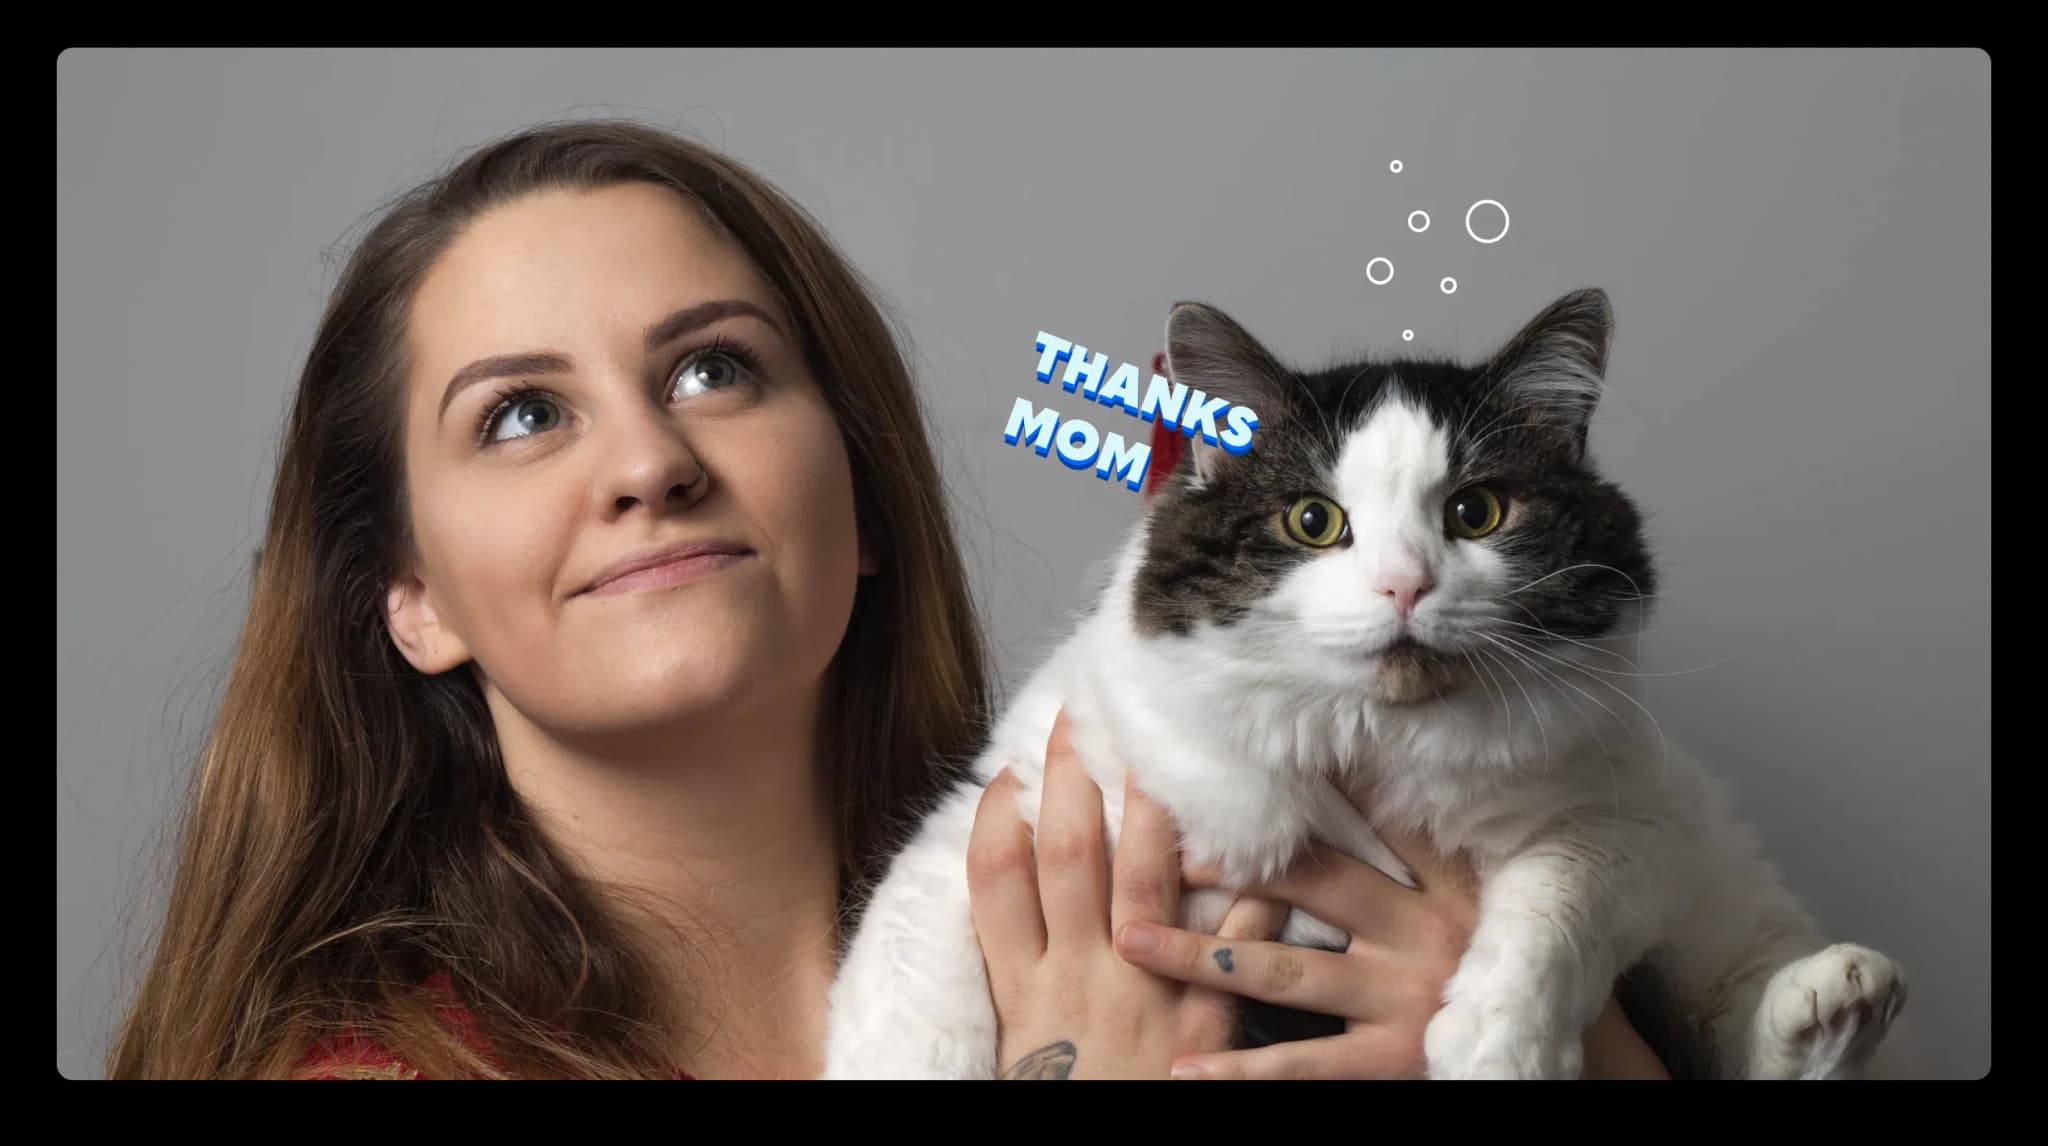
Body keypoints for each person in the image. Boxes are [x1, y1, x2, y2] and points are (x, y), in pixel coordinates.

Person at [104, 119, 1669, 1080]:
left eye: (716, 369)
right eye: (521, 412)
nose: (651, 459)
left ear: (857, 501)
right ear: (412, 596)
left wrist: (1568, 1030)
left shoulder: (1214, 856)